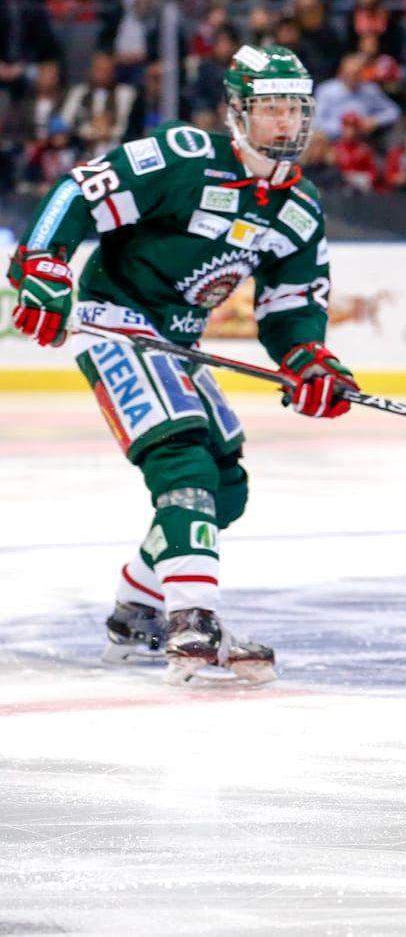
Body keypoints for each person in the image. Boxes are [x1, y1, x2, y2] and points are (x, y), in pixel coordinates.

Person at [6, 45, 358, 682]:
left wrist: (308, 359)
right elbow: (80, 190)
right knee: (183, 459)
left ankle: (136, 613)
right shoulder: (185, 159)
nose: (285, 121)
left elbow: (291, 306)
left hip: (180, 343)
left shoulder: (300, 207)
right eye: (270, 107)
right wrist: (43, 262)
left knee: (225, 487)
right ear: (237, 112)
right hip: (116, 320)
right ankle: (192, 619)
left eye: (294, 107)